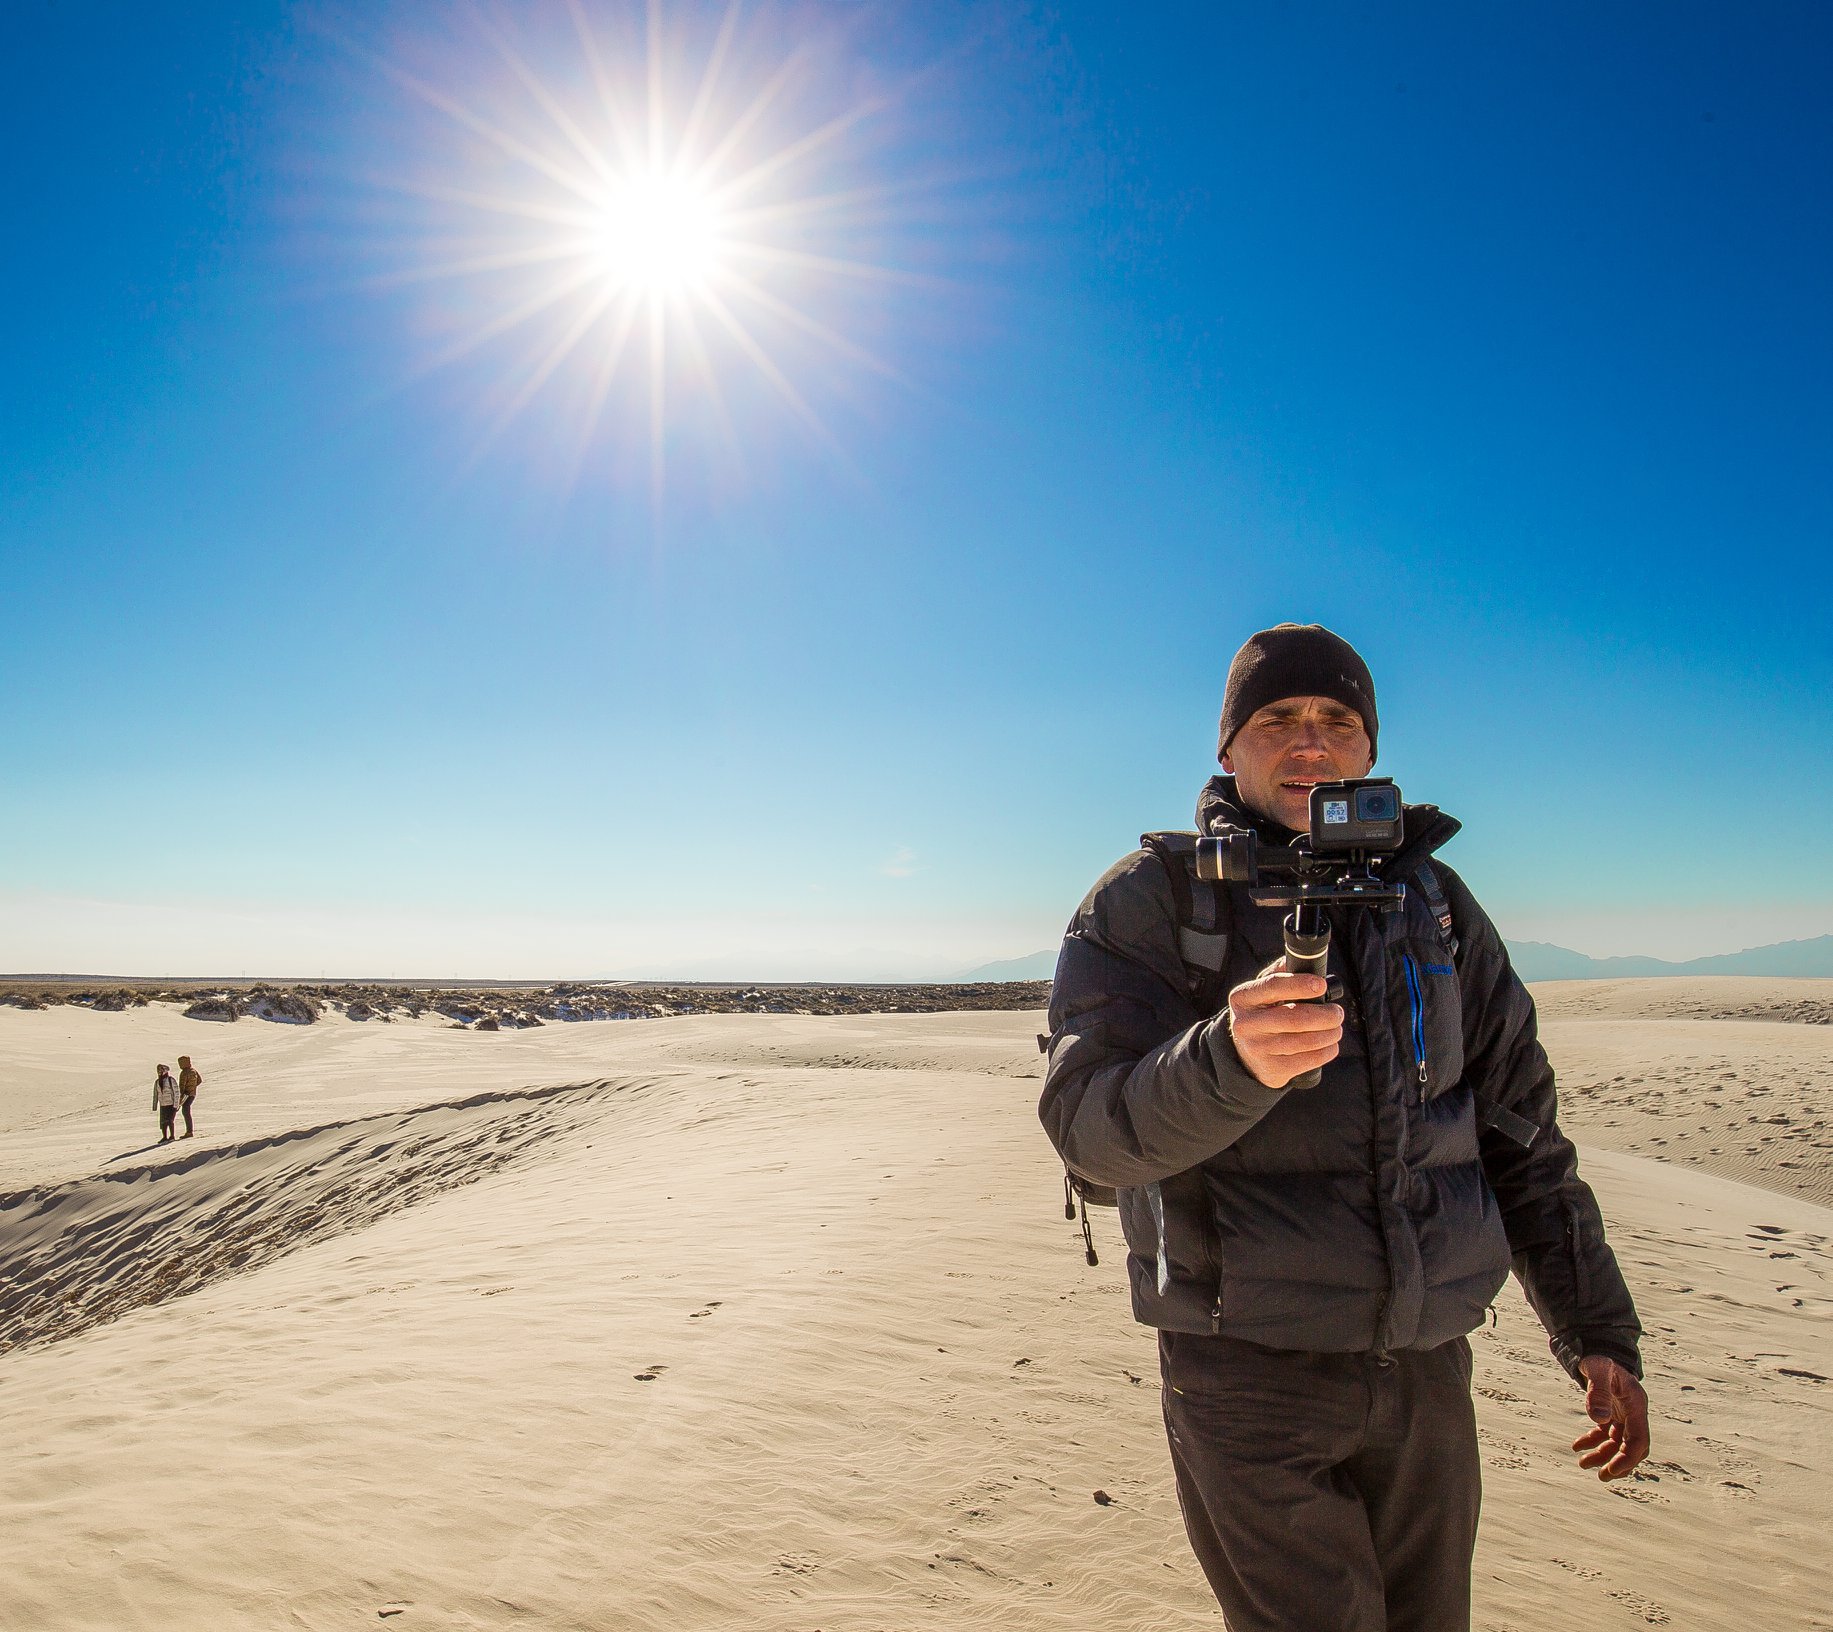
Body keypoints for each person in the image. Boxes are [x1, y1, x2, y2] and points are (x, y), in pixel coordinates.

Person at [1038, 623, 1648, 1632]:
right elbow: (1086, 1129)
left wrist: (1598, 1333)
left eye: (1336, 720)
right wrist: (1229, 1064)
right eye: (1277, 719)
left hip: (1425, 1373)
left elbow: (1523, 1141)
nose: (1309, 741)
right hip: (1246, 1376)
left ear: (1371, 751)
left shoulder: (1437, 908)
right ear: (1228, 749)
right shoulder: (1152, 902)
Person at [153, 1064, 181, 1143]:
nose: (159, 1072)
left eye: (161, 1070)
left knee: (170, 1120)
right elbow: (156, 1094)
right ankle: (164, 1136)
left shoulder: (170, 1080)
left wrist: (176, 1104)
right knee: (163, 1122)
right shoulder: (157, 1082)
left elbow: (176, 1092)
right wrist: (155, 1105)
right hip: (163, 1104)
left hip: (171, 1104)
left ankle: (172, 1136)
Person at [177, 1054, 202, 1138]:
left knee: (186, 1112)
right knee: (186, 1111)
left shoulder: (184, 1073)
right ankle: (189, 1131)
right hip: (192, 1094)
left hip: (186, 1095)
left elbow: (182, 1086)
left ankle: (189, 1131)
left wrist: (180, 1096)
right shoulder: (193, 1070)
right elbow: (199, 1080)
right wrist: (193, 1087)